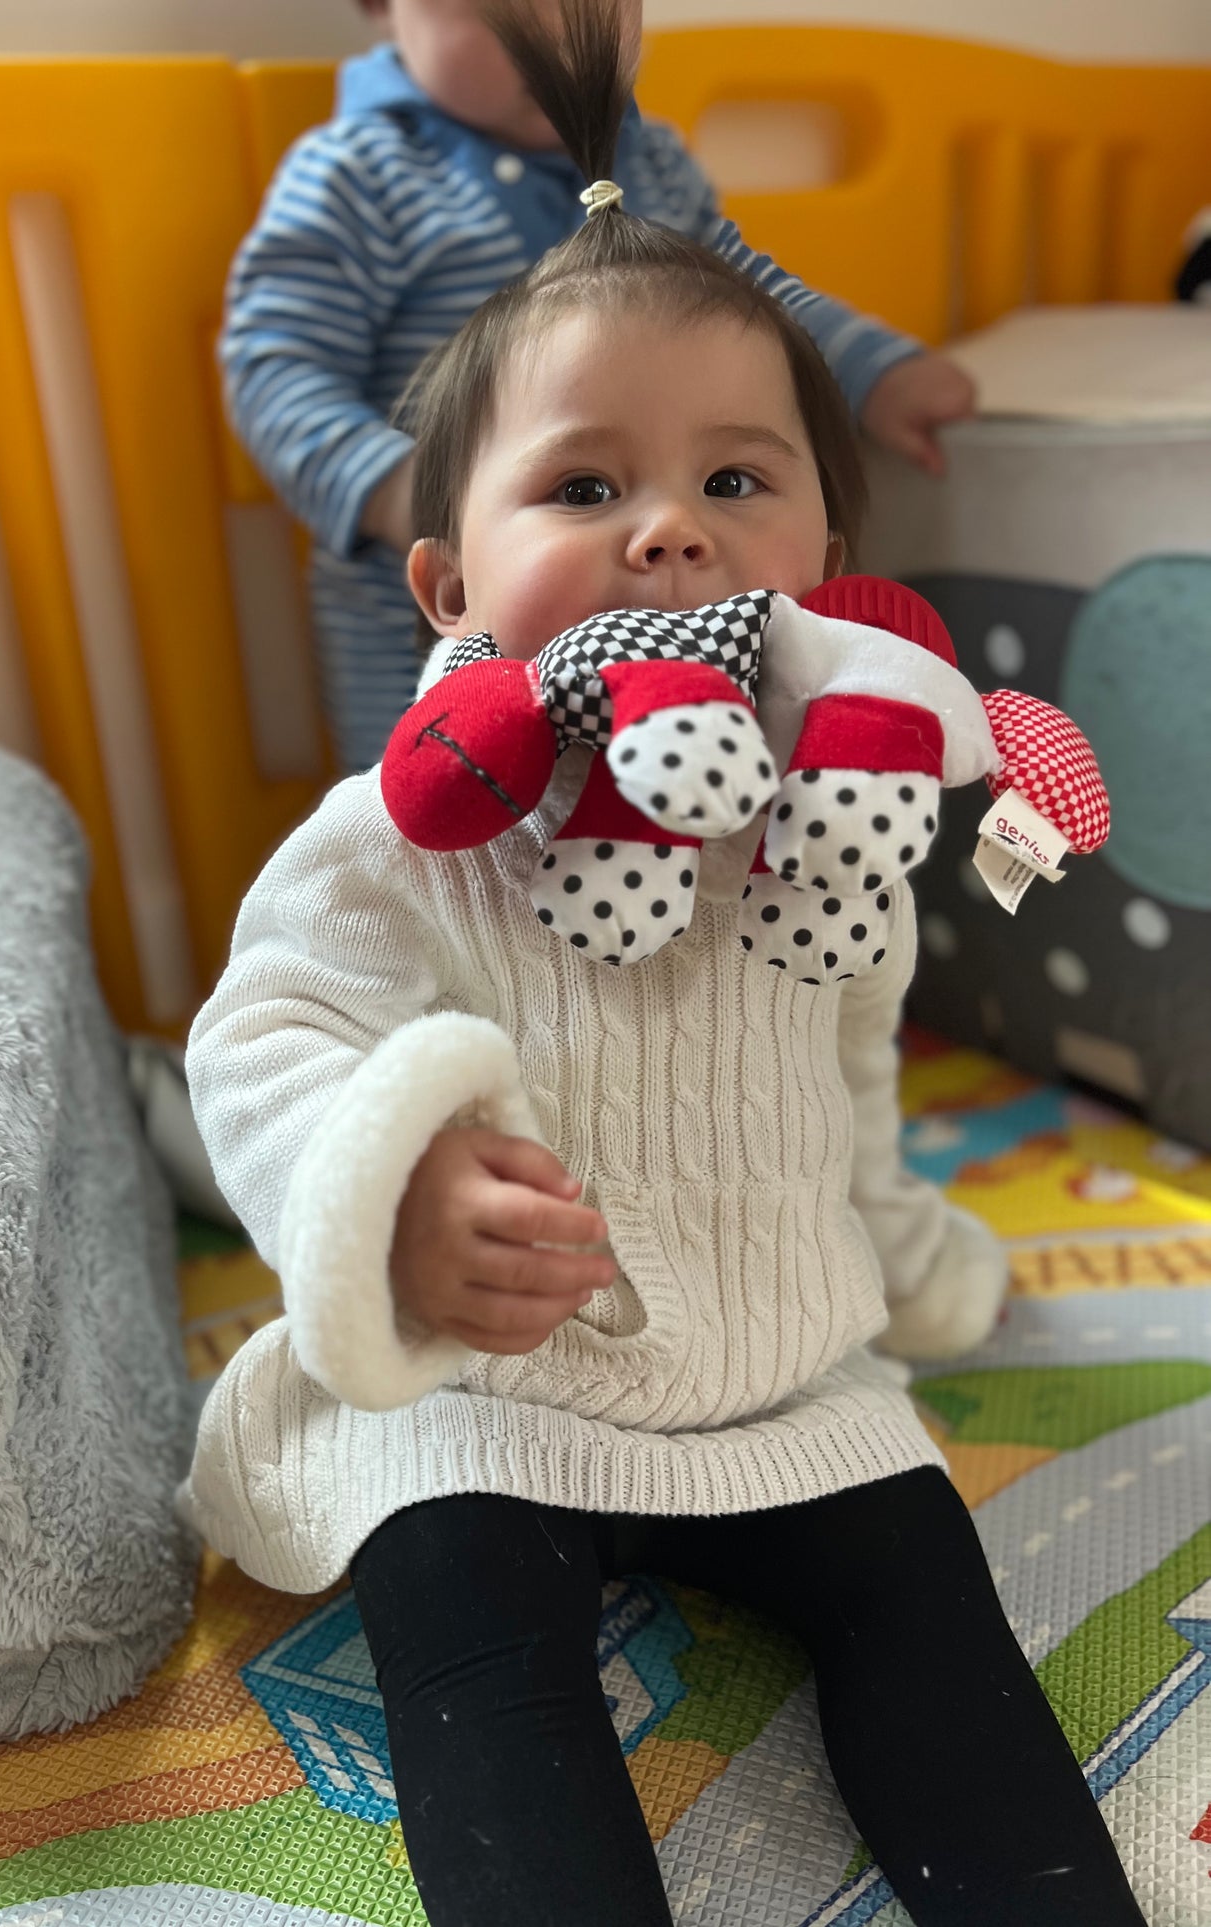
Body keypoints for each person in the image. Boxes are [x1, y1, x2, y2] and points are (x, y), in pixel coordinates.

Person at [183, 8, 1145, 1922]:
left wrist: (897, 1238)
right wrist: (387, 1189)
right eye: (581, 489)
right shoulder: (405, 822)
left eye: (736, 484)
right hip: (489, 1381)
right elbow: (267, 1029)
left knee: (932, 1608)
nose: (665, 534)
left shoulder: (827, 801)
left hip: (777, 1358)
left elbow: (851, 1054)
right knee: (463, 1628)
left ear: (828, 550)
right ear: (448, 581)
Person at [224, 0, 976, 771]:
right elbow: (276, 369)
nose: (554, 35)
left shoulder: (648, 165)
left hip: (676, 610)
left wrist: (874, 369)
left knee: (682, 813)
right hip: (421, 639)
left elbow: (752, 303)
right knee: (440, 834)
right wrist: (391, 486)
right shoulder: (359, 177)